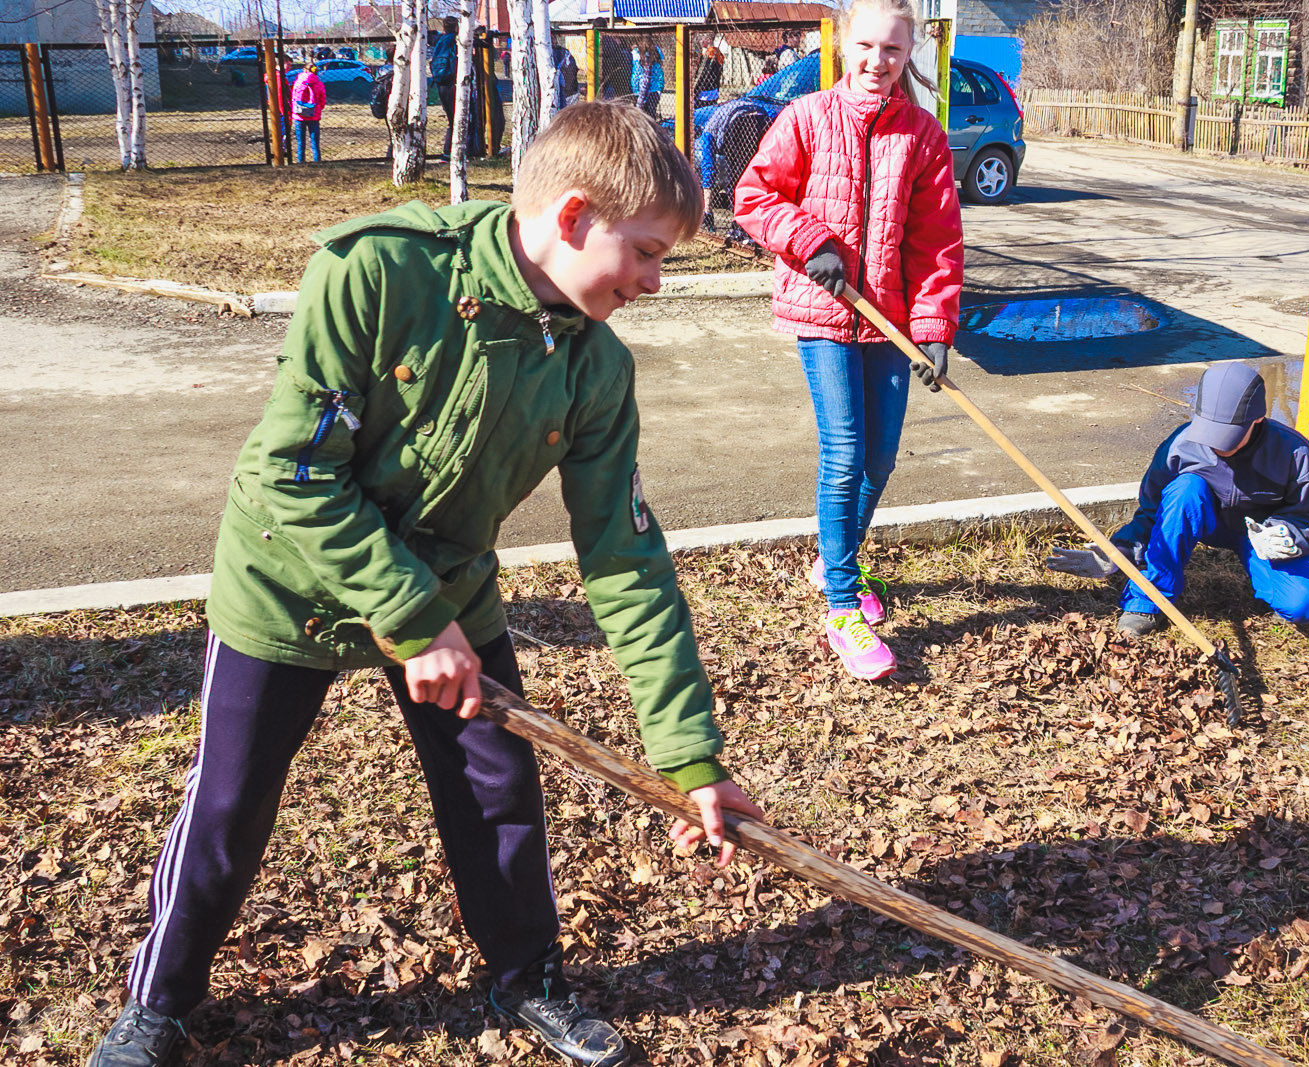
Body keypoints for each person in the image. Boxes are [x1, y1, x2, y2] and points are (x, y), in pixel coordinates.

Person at [83, 101, 763, 1067]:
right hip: (289, 581)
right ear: (571, 217)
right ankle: (159, 1002)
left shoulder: (596, 368)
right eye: (647, 252)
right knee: (230, 803)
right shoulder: (379, 271)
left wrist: (691, 758)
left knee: (498, 791)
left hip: (451, 587)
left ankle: (527, 976)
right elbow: (294, 471)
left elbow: (628, 563)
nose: (654, 282)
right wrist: (410, 618)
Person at [733, 0, 961, 681]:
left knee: (881, 458)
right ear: (840, 46)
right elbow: (754, 195)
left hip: (889, 317)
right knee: (844, 454)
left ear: (908, 53)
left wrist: (935, 328)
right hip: (823, 311)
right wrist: (808, 240)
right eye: (866, 47)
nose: (877, 62)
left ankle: (837, 554)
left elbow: (936, 243)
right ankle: (840, 604)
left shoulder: (922, 135)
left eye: (892, 51)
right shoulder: (804, 118)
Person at [1047, 363, 1309, 634]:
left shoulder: (1295, 453)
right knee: (1186, 488)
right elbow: (1151, 513)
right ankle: (1147, 601)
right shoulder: (1180, 446)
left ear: (1257, 418)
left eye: (1228, 434)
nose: (1217, 445)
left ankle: (1269, 576)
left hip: (1258, 535)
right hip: (1201, 518)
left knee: (1303, 605)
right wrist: (1118, 552)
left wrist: (1287, 533)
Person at [694, 97, 768, 231]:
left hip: (739, 122)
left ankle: (739, 220)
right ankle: (750, 218)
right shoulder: (717, 122)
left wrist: (708, 212)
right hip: (762, 116)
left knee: (737, 175)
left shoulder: (708, 133)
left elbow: (708, 168)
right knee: (753, 171)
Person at [430, 15, 460, 159]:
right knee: (458, 118)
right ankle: (453, 152)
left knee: (451, 119)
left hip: (441, 83)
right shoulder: (454, 39)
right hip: (451, 82)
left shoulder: (439, 39)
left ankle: (448, 152)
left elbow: (428, 35)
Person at [290, 61, 326, 163]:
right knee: (315, 142)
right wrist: (318, 108)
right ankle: (317, 161)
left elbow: (294, 98)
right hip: (313, 114)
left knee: (300, 142)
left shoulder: (297, 83)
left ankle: (300, 161)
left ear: (304, 70)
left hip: (299, 116)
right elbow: (322, 99)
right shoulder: (319, 84)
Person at [631, 38, 663, 118]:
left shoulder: (636, 52)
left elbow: (636, 73)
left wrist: (634, 89)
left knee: (641, 114)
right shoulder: (657, 50)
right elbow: (660, 70)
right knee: (651, 113)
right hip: (654, 88)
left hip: (641, 88)